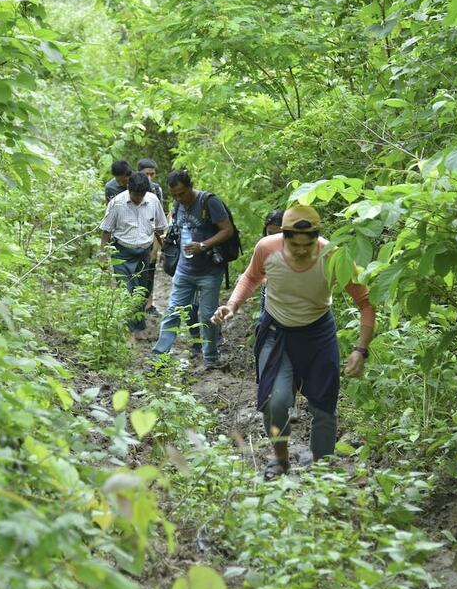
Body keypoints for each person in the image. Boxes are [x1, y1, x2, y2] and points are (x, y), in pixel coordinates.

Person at [212, 205, 375, 480]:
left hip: (318, 334)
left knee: (324, 407)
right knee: (275, 401)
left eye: (307, 244)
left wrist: (361, 349)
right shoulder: (267, 248)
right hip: (276, 332)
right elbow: (252, 276)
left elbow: (366, 304)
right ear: (284, 236)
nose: (301, 250)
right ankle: (281, 459)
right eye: (294, 244)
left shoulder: (334, 255)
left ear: (318, 238)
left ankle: (323, 469)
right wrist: (232, 305)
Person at [152, 169, 234, 369]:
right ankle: (158, 359)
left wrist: (203, 245)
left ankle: (211, 359)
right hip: (184, 270)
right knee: (173, 312)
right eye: (175, 195)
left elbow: (228, 230)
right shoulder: (177, 205)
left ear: (190, 186)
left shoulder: (209, 202)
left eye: (182, 193)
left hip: (209, 272)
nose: (180, 198)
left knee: (207, 316)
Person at [100, 172, 167, 334]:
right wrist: (103, 255)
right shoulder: (117, 203)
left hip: (144, 251)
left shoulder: (153, 201)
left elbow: (160, 228)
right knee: (127, 290)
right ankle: (131, 331)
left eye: (141, 195)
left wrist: (162, 249)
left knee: (141, 290)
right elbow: (106, 231)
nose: (138, 198)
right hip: (122, 252)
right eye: (135, 194)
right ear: (129, 189)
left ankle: (138, 325)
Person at [137, 158, 164, 315]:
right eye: (146, 174)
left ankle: (149, 304)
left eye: (152, 174)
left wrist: (156, 248)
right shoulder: (131, 188)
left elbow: (159, 221)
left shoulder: (156, 190)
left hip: (150, 235)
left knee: (150, 269)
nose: (149, 178)